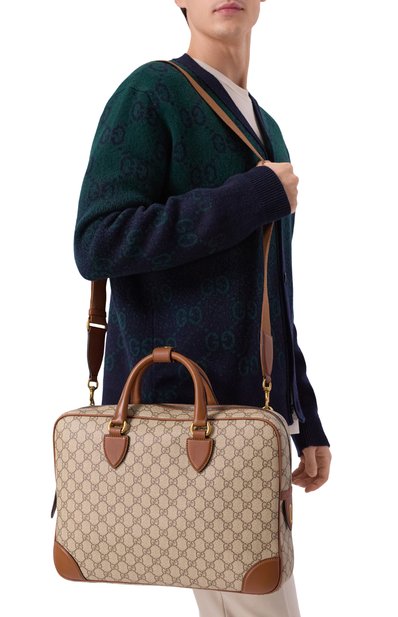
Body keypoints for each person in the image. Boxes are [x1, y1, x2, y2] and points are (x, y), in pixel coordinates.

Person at [74, 0, 332, 614]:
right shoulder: (152, 93)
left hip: (250, 425)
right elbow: (99, 242)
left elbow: (270, 294)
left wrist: (306, 417)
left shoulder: (266, 127)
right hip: (181, 414)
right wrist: (251, 196)